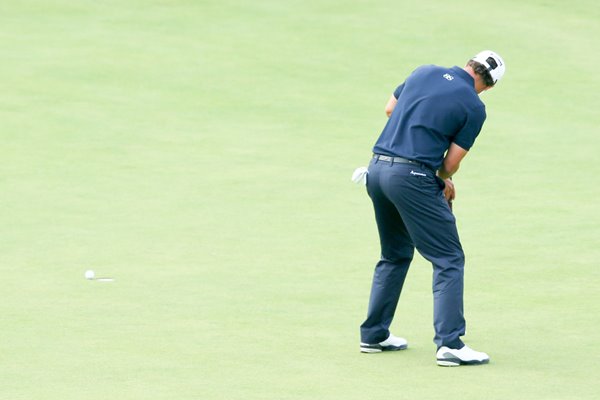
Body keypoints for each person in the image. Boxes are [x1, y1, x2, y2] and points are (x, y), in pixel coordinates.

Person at [358, 51, 505, 366]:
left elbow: (390, 109)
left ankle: (374, 334)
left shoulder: (424, 71)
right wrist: (439, 178)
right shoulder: (474, 106)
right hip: (411, 179)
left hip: (377, 170)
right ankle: (450, 343)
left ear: (469, 63)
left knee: (395, 254)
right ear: (488, 85)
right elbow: (450, 164)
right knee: (449, 258)